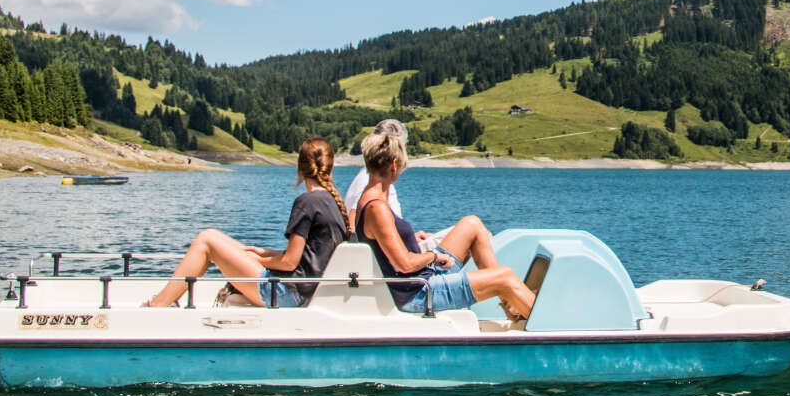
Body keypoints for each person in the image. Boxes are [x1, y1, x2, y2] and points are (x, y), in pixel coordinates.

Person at [144, 137, 347, 308]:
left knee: (206, 240)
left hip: (288, 293)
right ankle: (166, 301)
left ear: (300, 168)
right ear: (330, 166)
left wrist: (259, 261)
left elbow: (289, 262)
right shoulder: (332, 202)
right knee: (218, 237)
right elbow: (309, 256)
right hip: (302, 291)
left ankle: (157, 306)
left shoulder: (308, 202)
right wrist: (264, 253)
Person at [355, 129, 534, 323]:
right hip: (418, 293)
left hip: (421, 279)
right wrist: (434, 256)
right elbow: (404, 264)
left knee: (471, 224)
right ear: (394, 165)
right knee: (504, 277)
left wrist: (411, 240)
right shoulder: (377, 208)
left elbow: (387, 246)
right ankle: (544, 322)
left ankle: (511, 305)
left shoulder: (370, 199)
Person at [343, 118, 449, 250]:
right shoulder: (370, 182)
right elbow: (354, 227)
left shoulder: (374, 178)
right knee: (467, 229)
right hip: (394, 258)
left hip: (397, 249)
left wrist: (407, 237)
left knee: (458, 232)